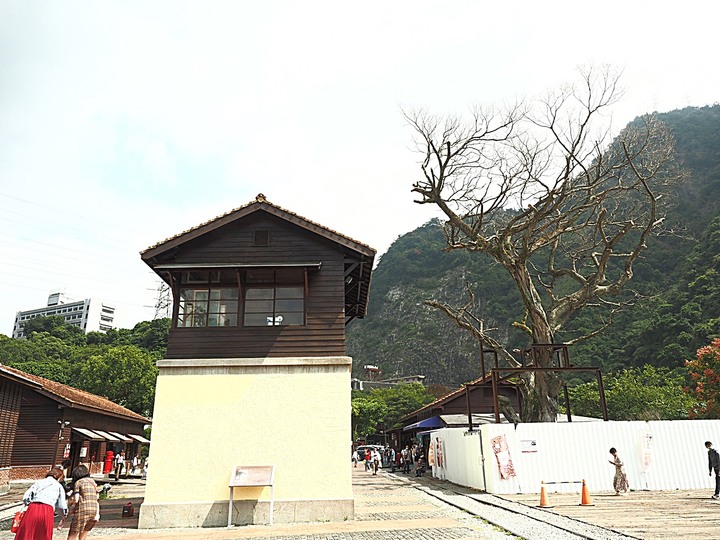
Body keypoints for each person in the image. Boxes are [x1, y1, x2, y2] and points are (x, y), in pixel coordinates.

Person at [14, 468, 68, 540]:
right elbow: (61, 505)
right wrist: (63, 515)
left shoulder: (39, 482)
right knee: (42, 534)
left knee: (28, 532)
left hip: (33, 508)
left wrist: (29, 503)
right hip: (47, 510)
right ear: (59, 477)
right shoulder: (58, 486)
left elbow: (26, 497)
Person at [58, 465, 100, 540]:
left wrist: (71, 502)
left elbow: (76, 499)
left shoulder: (78, 482)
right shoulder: (92, 482)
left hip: (82, 510)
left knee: (73, 533)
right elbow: (97, 497)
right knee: (84, 533)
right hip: (94, 510)